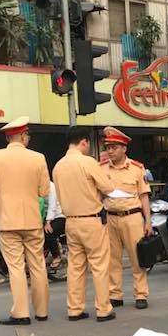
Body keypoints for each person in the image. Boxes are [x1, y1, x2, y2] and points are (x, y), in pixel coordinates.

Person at [0, 116, 51, 325]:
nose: (28, 137)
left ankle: (21, 313)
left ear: (8, 138)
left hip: (8, 220)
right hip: (32, 220)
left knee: (16, 268)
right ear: (22, 136)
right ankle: (42, 311)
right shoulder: (38, 158)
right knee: (38, 265)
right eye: (27, 134)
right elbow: (44, 191)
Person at [52, 126, 116, 321]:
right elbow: (108, 187)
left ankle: (75, 309)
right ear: (84, 142)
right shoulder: (88, 162)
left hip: (71, 222)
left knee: (75, 267)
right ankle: (103, 309)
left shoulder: (58, 166)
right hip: (91, 220)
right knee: (99, 265)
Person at [100, 126, 152, 310]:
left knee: (137, 258)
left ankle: (141, 294)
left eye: (114, 147)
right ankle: (115, 294)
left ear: (124, 148)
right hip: (110, 218)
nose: (110, 151)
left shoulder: (137, 168)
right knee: (112, 259)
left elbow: (144, 196)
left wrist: (148, 221)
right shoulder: (101, 168)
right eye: (108, 147)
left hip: (132, 217)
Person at [43, 180, 65, 272]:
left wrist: (48, 222)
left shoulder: (51, 187)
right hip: (45, 216)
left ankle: (56, 256)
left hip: (59, 215)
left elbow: (52, 206)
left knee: (48, 232)